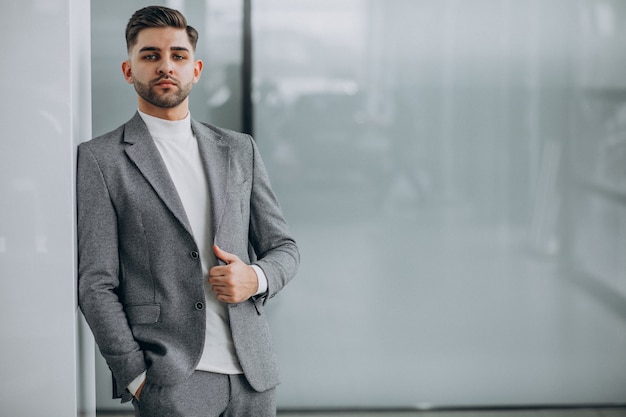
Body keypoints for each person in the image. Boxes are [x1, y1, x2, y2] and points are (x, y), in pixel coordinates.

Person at [77, 6, 299, 417]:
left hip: (254, 376)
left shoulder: (239, 149)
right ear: (128, 70)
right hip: (171, 378)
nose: (166, 66)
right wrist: (134, 375)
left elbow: (283, 247)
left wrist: (256, 277)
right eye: (150, 56)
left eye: (178, 56)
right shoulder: (100, 160)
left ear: (195, 69)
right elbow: (96, 284)